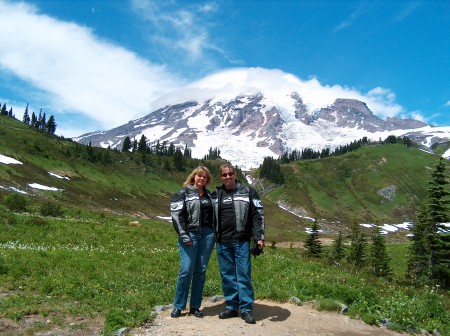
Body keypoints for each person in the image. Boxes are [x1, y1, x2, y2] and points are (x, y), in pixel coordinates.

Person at [212, 163, 265, 324]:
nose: (228, 177)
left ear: (235, 174)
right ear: (220, 177)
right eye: (224, 175)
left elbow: (258, 215)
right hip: (222, 242)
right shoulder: (216, 194)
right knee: (227, 276)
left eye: (230, 173)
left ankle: (247, 309)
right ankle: (232, 307)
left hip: (241, 241)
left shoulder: (248, 191)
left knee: (243, 275)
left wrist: (259, 238)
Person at [170, 166, 215, 318]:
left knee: (200, 271)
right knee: (186, 270)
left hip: (208, 235)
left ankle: (195, 306)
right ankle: (178, 306)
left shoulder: (210, 195)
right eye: (199, 176)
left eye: (205, 177)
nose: (202, 179)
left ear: (207, 180)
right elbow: (177, 216)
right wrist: (184, 235)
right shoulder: (183, 193)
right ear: (194, 177)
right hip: (190, 235)